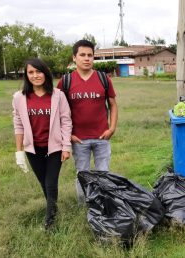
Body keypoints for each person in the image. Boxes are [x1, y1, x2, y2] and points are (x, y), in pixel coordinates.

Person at [12, 58, 72, 230]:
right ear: (26, 75)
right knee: (43, 183)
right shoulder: (19, 97)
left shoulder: (58, 95)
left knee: (51, 182)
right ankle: (53, 208)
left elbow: (66, 121)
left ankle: (50, 220)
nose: (35, 75)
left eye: (38, 71)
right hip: (33, 149)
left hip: (54, 147)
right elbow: (18, 123)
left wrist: (66, 147)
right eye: (31, 72)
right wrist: (19, 152)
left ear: (45, 73)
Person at [57, 39, 118, 204]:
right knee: (82, 173)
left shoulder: (103, 78)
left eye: (90, 55)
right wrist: (68, 135)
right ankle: (83, 206)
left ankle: (104, 204)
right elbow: (58, 112)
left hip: (102, 137)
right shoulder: (65, 82)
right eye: (82, 55)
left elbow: (112, 105)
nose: (86, 58)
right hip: (79, 139)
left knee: (103, 173)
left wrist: (111, 128)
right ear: (74, 58)